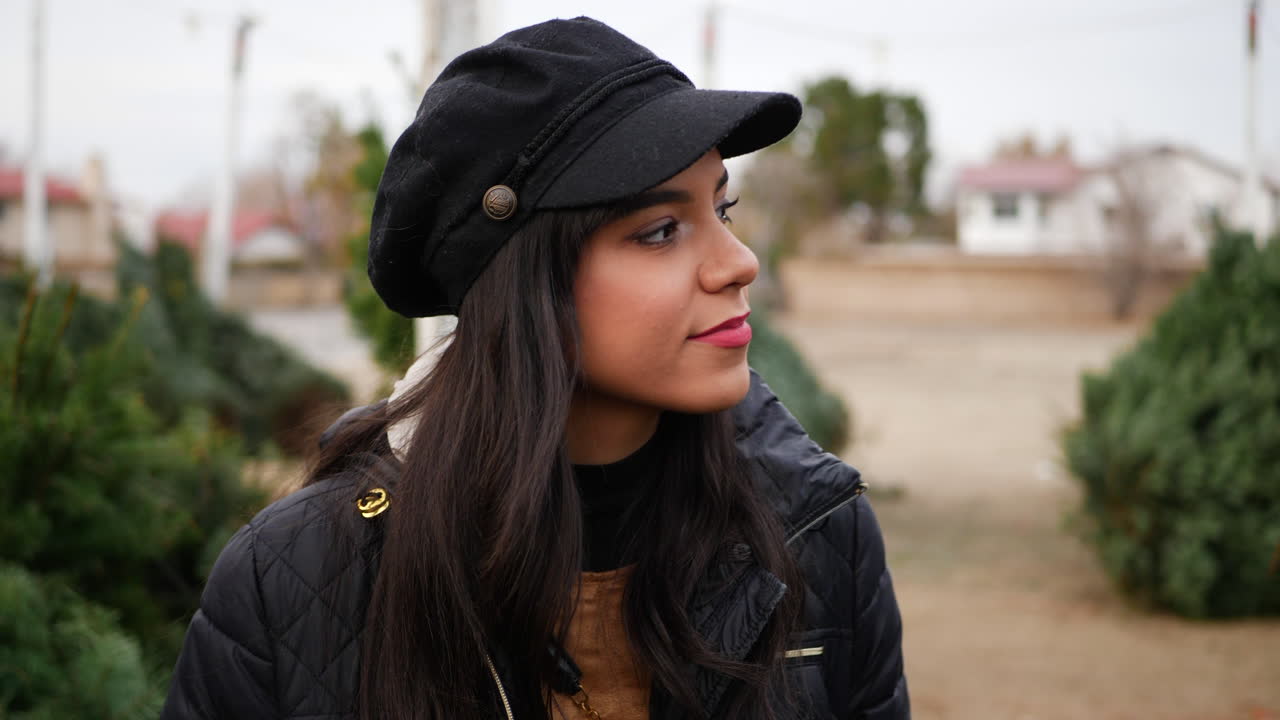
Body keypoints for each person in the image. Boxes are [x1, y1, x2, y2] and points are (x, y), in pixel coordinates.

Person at [161, 16, 908, 720]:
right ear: (525, 284)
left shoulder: (816, 530)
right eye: (660, 231)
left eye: (723, 209)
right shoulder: (295, 575)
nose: (738, 263)